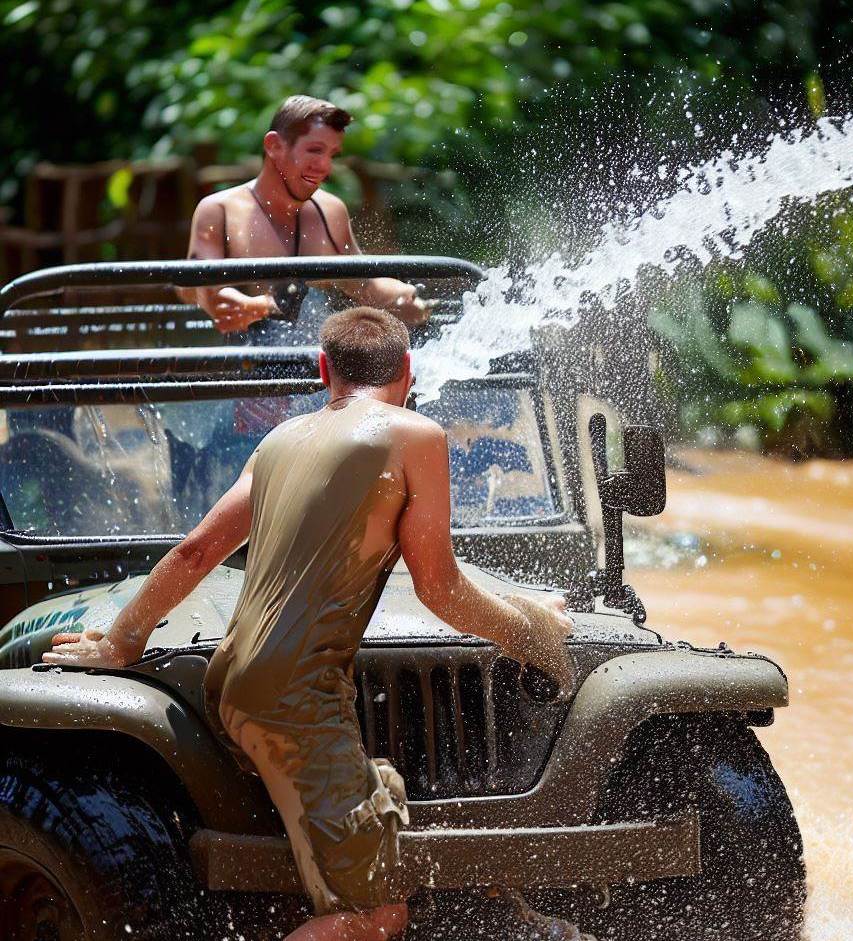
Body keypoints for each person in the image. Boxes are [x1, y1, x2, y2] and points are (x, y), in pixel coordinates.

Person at [43, 307, 575, 941]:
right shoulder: (417, 436)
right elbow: (441, 588)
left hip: (232, 685)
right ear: (408, 369)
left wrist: (121, 640)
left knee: (375, 836)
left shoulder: (278, 441)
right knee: (373, 919)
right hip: (296, 699)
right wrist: (536, 631)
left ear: (324, 370)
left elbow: (195, 552)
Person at [185, 95, 430, 342]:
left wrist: (403, 296)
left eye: (332, 154)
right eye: (315, 150)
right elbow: (204, 291)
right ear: (274, 146)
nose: (325, 166)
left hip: (319, 364)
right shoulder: (219, 211)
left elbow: (363, 284)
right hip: (243, 368)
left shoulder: (331, 210)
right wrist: (250, 305)